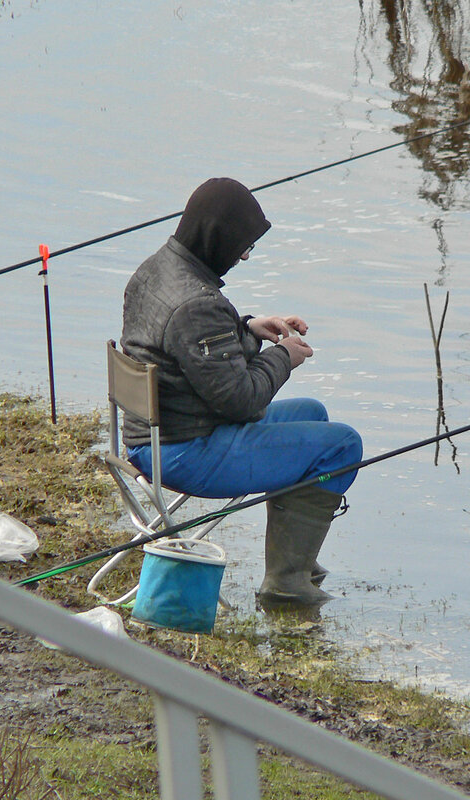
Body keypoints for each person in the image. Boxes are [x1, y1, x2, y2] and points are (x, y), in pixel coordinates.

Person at [120, 177, 363, 606]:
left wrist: (248, 329)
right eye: (241, 245)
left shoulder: (157, 270)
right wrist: (284, 356)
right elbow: (243, 401)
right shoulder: (196, 301)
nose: (245, 255)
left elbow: (188, 352)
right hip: (185, 452)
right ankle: (286, 585)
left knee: (314, 412)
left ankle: (297, 556)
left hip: (154, 435)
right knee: (343, 445)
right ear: (216, 238)